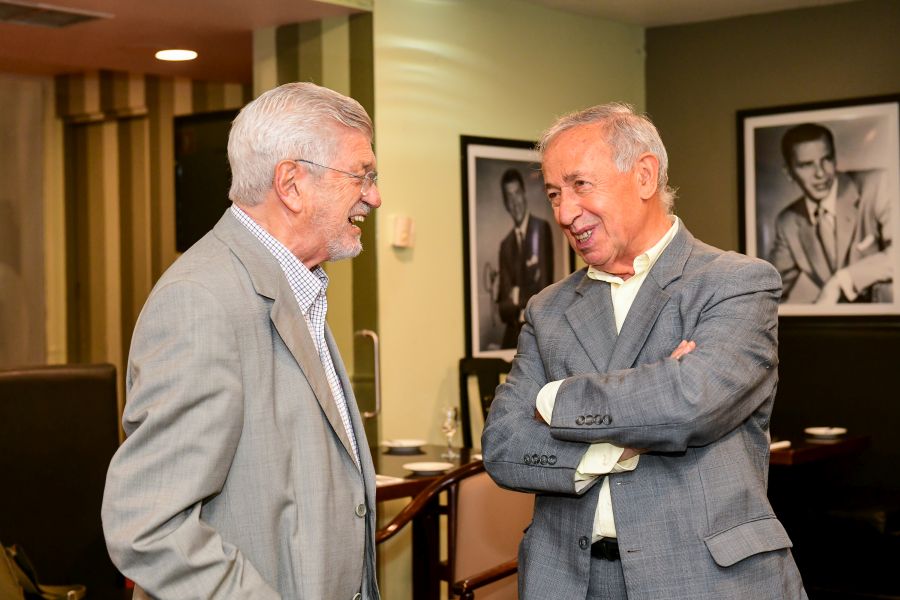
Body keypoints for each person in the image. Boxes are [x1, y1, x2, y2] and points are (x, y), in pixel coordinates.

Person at [482, 103, 806, 600]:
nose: (564, 213)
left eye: (580, 185)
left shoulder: (736, 283)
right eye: (554, 194)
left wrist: (553, 400)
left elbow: (688, 405)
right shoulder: (547, 308)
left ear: (645, 176)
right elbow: (504, 447)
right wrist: (623, 441)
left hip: (704, 580)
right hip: (568, 581)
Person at [102, 82, 382, 600]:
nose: (374, 195)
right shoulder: (200, 301)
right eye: (361, 175)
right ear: (291, 184)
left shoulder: (296, 285)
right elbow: (149, 527)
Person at [769, 122, 893, 304]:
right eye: (806, 165)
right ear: (789, 173)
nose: (820, 173)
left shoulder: (879, 184)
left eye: (826, 159)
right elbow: (768, 291)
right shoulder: (788, 222)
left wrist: (841, 281)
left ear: (835, 159)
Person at [497, 168, 555, 348]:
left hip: (538, 330)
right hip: (514, 332)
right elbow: (503, 310)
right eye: (509, 197)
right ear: (505, 203)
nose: (515, 202)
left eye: (517, 194)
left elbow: (543, 292)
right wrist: (527, 289)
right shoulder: (505, 246)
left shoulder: (541, 229)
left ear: (524, 194)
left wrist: (515, 294)